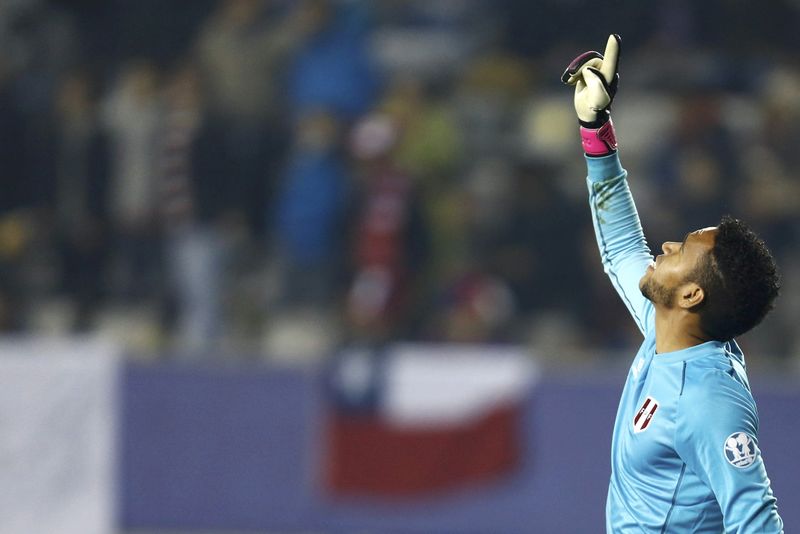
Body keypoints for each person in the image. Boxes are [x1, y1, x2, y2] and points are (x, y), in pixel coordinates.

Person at [563, 35, 783, 532]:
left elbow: (758, 520)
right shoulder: (669, 331)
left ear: (691, 294)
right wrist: (595, 130)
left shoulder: (708, 400)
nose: (663, 248)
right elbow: (620, 248)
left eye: (680, 251)